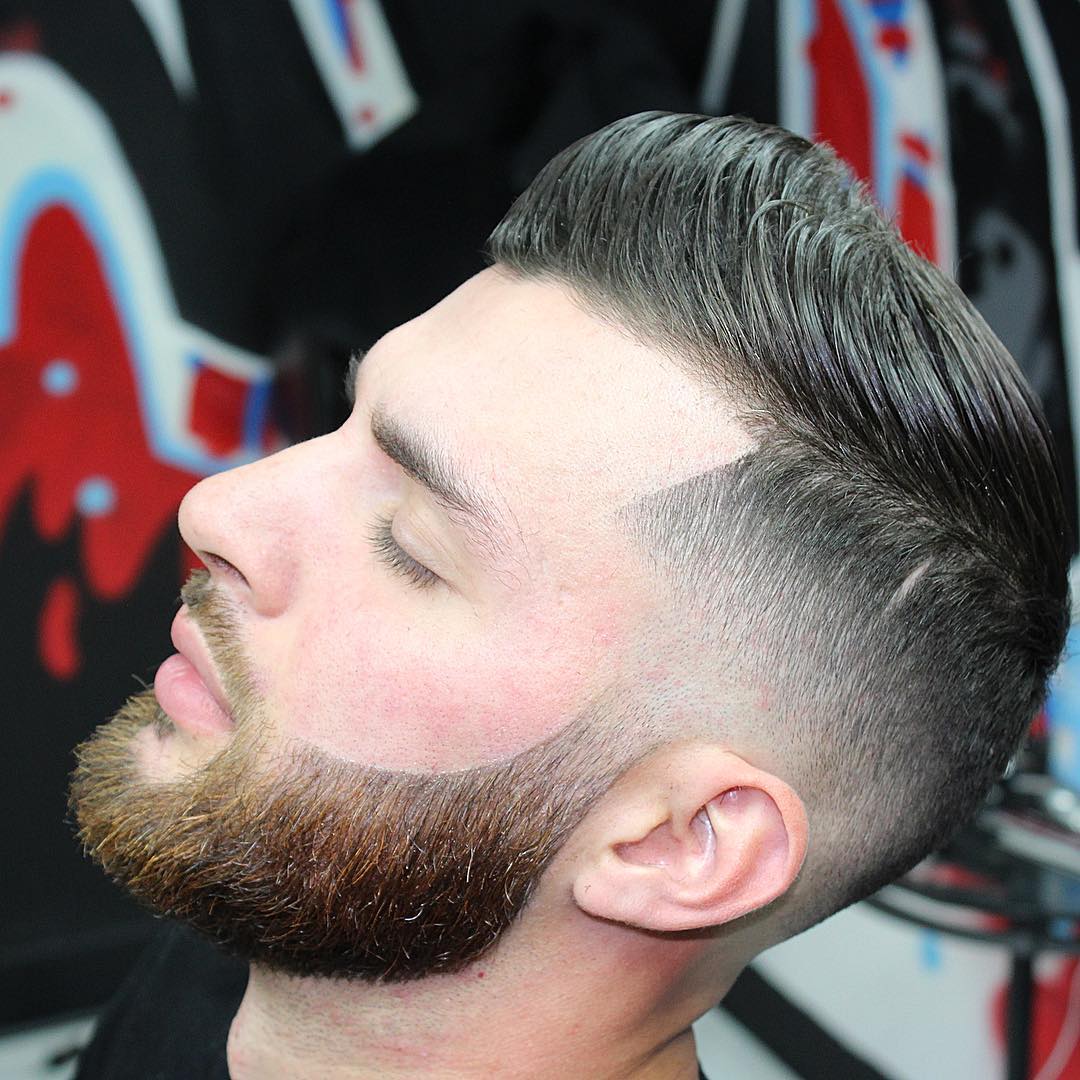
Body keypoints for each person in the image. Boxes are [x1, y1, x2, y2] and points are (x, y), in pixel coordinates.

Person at [68, 111, 1070, 1080]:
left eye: (411, 548)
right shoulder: (245, 950)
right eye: (344, 419)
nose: (217, 509)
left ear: (680, 843)